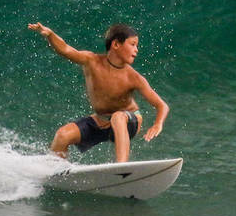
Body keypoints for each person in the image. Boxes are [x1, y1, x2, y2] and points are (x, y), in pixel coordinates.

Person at [28, 22, 169, 163]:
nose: (136, 49)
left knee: (118, 117)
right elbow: (65, 49)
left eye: (136, 45)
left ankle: (121, 168)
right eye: (132, 44)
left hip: (128, 122)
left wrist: (158, 124)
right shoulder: (91, 61)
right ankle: (56, 171)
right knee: (62, 135)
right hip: (101, 120)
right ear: (116, 45)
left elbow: (162, 105)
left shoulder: (133, 78)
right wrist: (51, 35)